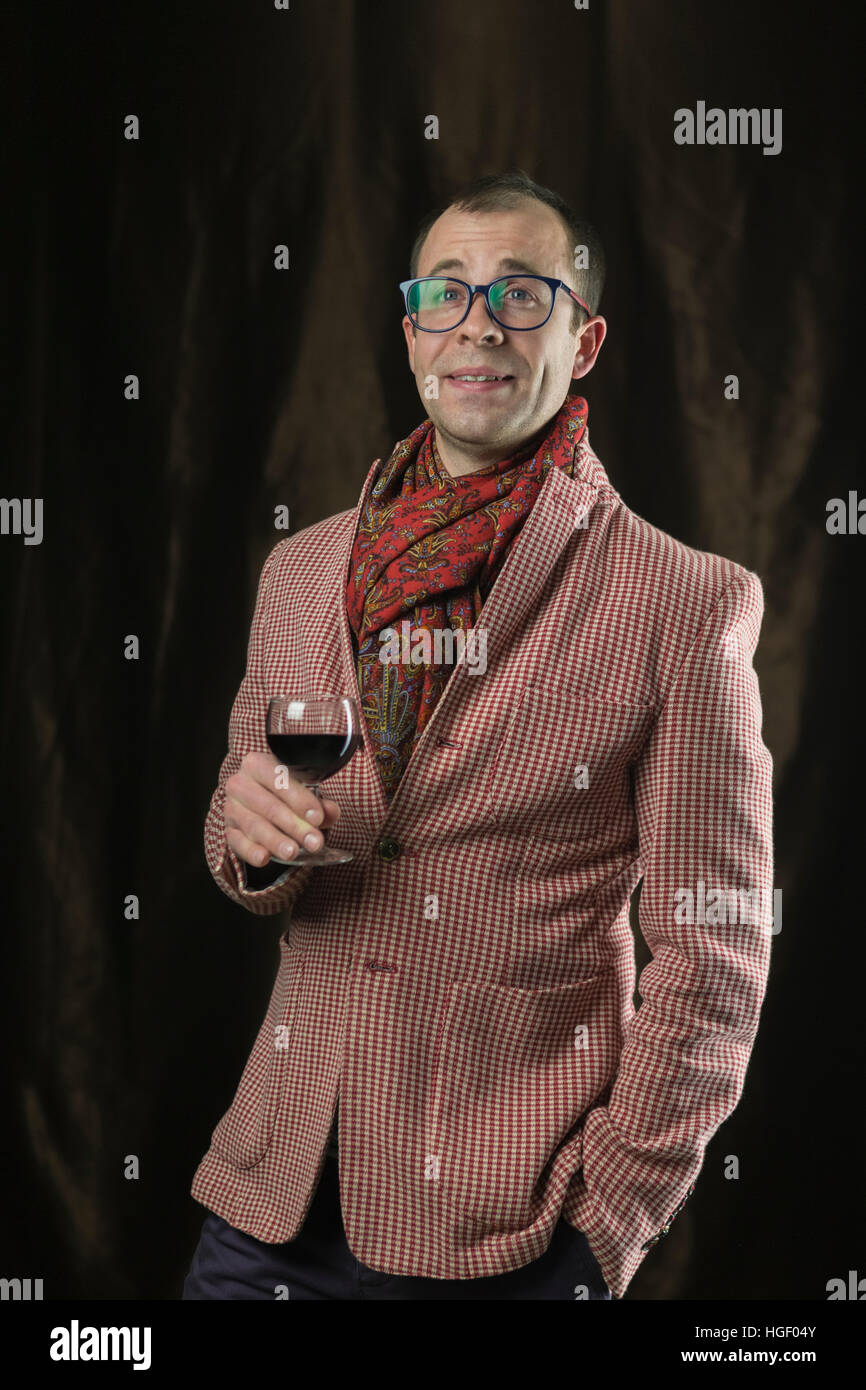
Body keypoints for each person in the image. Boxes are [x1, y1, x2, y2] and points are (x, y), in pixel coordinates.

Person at [182, 170, 774, 1301]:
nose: (476, 327)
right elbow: (237, 813)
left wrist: (603, 1230)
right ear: (410, 331)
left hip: (504, 1235)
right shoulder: (298, 570)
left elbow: (716, 952)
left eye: (518, 296)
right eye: (444, 296)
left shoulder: (680, 600)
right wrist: (247, 837)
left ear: (583, 337)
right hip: (267, 1194)